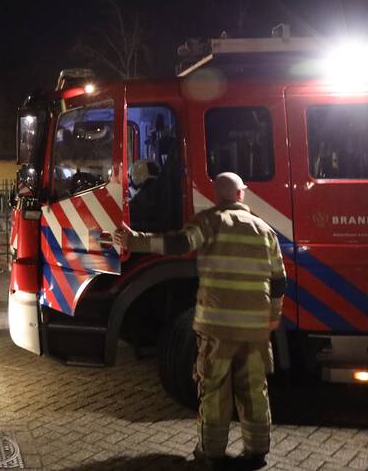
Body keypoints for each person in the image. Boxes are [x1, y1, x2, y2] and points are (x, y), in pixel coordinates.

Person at [114, 172, 286, 471]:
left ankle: (212, 453)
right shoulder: (264, 230)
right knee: (254, 389)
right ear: (241, 195)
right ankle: (257, 451)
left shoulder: (207, 222)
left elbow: (178, 244)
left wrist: (134, 241)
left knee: (214, 388)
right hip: (255, 329)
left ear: (218, 196)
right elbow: (279, 280)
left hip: (217, 327)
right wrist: (272, 317)